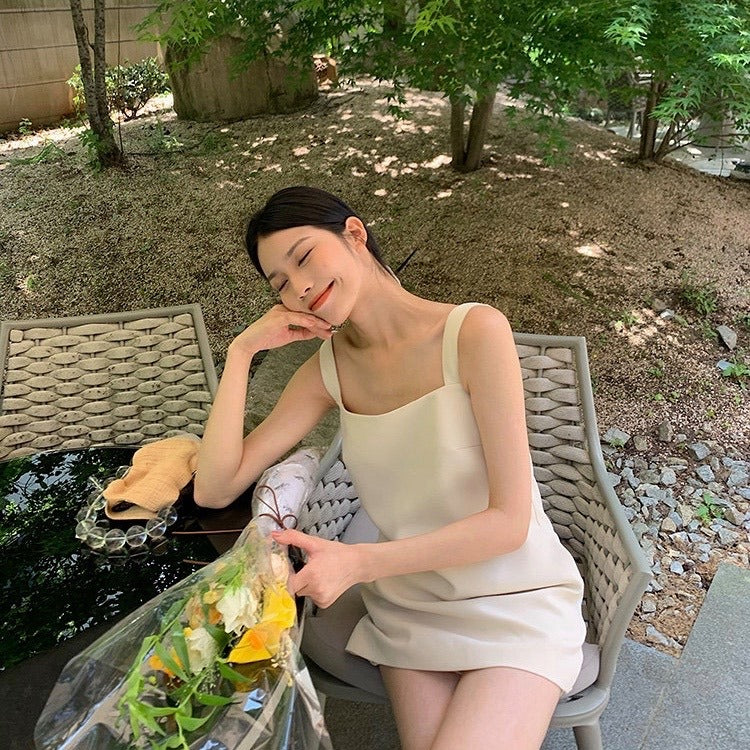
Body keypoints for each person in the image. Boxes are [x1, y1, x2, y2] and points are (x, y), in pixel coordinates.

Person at [194, 185, 586, 750]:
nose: (299, 287)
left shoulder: (474, 333)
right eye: (279, 283)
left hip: (516, 596)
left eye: (305, 257)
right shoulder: (327, 371)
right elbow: (213, 489)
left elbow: (509, 523)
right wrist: (240, 353)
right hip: (410, 605)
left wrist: (357, 563)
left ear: (354, 235)